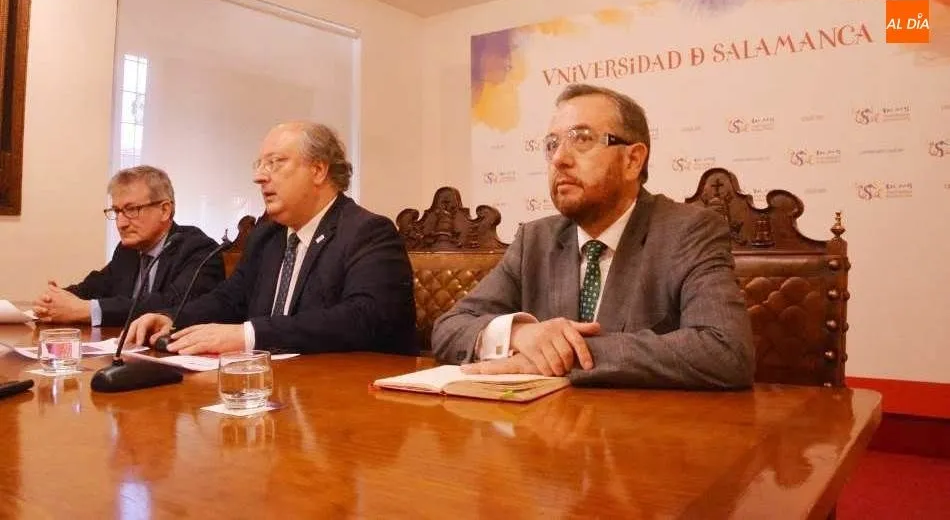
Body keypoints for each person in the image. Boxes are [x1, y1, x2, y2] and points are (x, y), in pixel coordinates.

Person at [431, 84, 754, 389]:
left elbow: (725, 349)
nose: (559, 158)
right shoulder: (535, 239)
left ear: (632, 160)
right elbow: (449, 328)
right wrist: (519, 334)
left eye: (581, 139)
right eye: (552, 145)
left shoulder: (689, 230)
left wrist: (562, 354)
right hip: (547, 435)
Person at [126, 121, 418, 356]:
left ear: (318, 170)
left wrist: (249, 335)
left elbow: (363, 319)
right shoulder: (268, 235)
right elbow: (230, 299)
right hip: (274, 389)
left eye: (275, 163)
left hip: (349, 399)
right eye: (260, 165)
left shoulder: (368, 232)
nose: (260, 177)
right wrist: (173, 318)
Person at [32, 166, 224, 327]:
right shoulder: (127, 250)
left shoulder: (198, 249)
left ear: (165, 210)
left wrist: (86, 310)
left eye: (131, 210)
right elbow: (94, 286)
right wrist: (55, 300)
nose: (121, 223)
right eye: (117, 211)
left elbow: (172, 304)